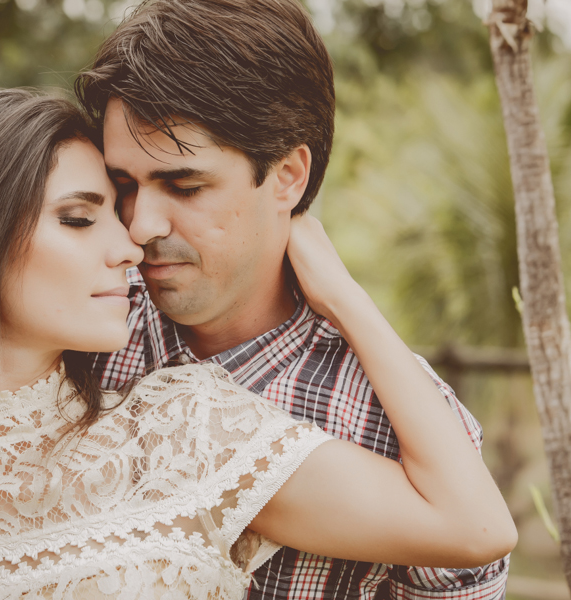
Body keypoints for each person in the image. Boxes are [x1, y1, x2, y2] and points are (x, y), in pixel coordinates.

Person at [0, 89, 514, 600]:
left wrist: (345, 301)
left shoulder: (181, 428)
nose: (131, 241)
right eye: (79, 217)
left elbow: (475, 528)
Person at [74, 0, 513, 599]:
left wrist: (347, 301)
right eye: (123, 184)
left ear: (287, 176)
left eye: (184, 184)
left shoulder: (400, 423)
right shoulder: (80, 328)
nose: (141, 224)